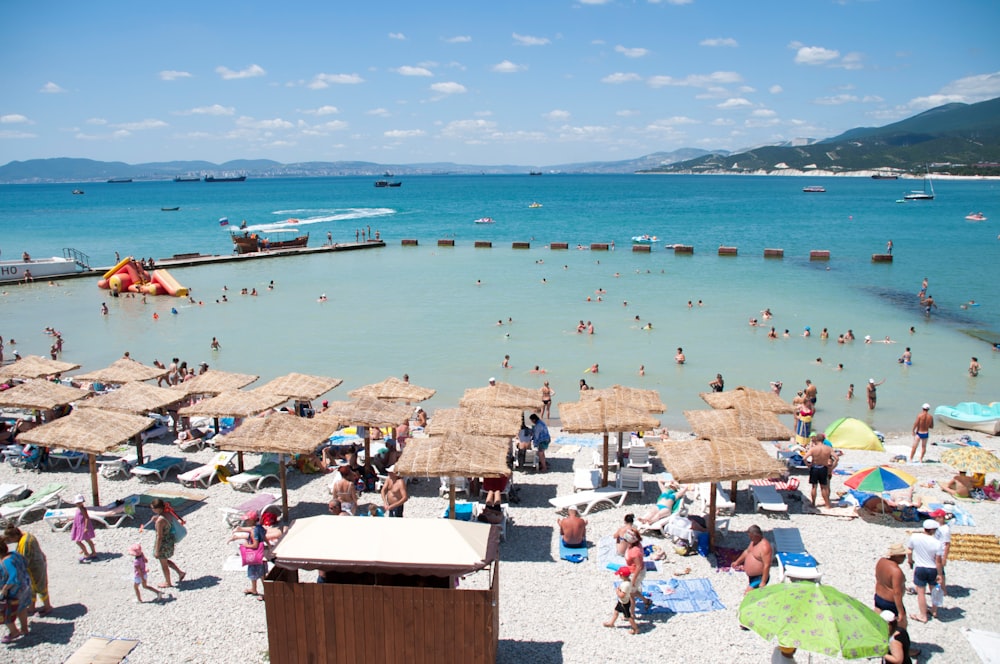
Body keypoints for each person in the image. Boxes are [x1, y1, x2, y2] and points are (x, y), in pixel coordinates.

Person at [2, 525, 52, 616]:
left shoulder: (25, 542)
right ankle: (32, 607)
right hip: (35, 564)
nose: (10, 542)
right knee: (32, 587)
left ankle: (47, 607)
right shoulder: (24, 535)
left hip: (35, 567)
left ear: (14, 536)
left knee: (40, 587)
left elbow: (24, 559)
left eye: (10, 539)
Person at [906, 520, 944, 623]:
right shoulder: (937, 543)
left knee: (921, 593)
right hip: (932, 568)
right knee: (934, 591)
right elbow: (938, 561)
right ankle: (934, 610)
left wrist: (910, 560)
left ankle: (923, 615)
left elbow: (909, 550)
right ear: (933, 530)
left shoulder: (915, 537)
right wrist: (940, 574)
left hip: (920, 567)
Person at [148, 498, 186, 588]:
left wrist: (157, 550)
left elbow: (159, 536)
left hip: (163, 544)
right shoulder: (167, 513)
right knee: (165, 560)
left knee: (163, 564)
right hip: (169, 540)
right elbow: (165, 519)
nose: (152, 510)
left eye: (153, 508)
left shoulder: (160, 521)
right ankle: (180, 572)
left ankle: (168, 582)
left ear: (158, 508)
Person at [0, 541, 31, 643]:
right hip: (25, 586)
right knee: (22, 608)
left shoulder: (5, 562)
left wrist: (4, 589)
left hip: (13, 592)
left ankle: (14, 632)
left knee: (5, 612)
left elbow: (13, 578)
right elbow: (26, 562)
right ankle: (24, 629)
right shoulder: (15, 554)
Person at [874, 542, 908, 629]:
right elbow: (897, 593)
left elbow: (878, 577)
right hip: (890, 602)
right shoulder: (896, 571)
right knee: (899, 627)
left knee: (877, 622)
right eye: (902, 555)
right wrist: (901, 612)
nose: (905, 557)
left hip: (878, 596)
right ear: (896, 556)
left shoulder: (881, 561)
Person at [732, 525, 772, 593]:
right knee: (755, 595)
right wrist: (737, 562)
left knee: (747, 594)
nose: (750, 539)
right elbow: (747, 552)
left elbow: (767, 565)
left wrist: (763, 582)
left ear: (757, 536)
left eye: (751, 537)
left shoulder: (765, 547)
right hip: (752, 576)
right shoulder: (753, 542)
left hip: (760, 577)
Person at [603, 566, 639, 635]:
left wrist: (617, 591)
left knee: (629, 617)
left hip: (624, 603)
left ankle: (635, 628)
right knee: (616, 611)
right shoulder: (628, 581)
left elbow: (622, 595)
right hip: (621, 601)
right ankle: (611, 623)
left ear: (622, 576)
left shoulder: (626, 585)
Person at [622, 530, 650, 611]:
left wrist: (633, 580)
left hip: (636, 573)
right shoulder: (636, 545)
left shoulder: (635, 552)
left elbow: (638, 566)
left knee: (630, 594)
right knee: (633, 591)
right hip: (633, 571)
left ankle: (631, 613)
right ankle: (646, 601)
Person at [805, 436, 837, 508]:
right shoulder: (828, 448)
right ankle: (827, 505)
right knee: (824, 487)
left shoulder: (813, 449)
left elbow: (804, 458)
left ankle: (813, 504)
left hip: (814, 467)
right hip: (823, 468)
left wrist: (808, 464)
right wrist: (832, 467)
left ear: (816, 440)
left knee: (814, 487)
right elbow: (836, 458)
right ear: (823, 440)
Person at [242, 511, 268, 598]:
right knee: (261, 574)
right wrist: (269, 546)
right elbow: (264, 537)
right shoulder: (260, 527)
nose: (246, 522)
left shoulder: (254, 531)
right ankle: (254, 589)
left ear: (252, 520)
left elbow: (255, 545)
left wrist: (246, 545)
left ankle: (266, 593)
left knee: (260, 575)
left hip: (255, 556)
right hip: (262, 554)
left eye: (247, 520)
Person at [930, 509, 951, 599]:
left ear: (940, 517)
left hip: (941, 552)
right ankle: (940, 588)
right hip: (936, 551)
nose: (934, 518)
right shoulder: (938, 527)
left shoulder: (945, 529)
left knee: (940, 571)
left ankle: (943, 589)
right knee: (937, 570)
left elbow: (947, 544)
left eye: (935, 517)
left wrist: (944, 557)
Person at [70, 494, 97, 562]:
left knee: (81, 541)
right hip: (79, 526)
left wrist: (86, 527)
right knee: (84, 540)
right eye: (77, 503)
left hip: (83, 526)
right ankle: (88, 552)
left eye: (79, 503)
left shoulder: (82, 509)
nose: (78, 504)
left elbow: (86, 518)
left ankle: (87, 553)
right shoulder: (79, 509)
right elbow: (78, 517)